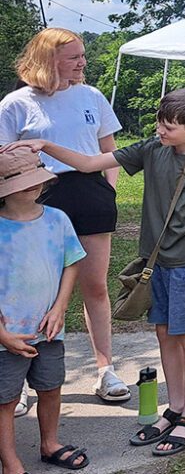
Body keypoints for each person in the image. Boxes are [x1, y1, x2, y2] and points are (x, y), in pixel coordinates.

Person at [4, 89, 185, 456]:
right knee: (164, 334)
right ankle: (173, 409)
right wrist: (45, 144)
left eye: (169, 127)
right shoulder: (152, 149)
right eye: (159, 122)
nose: (160, 130)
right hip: (155, 265)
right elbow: (92, 163)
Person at [0, 27, 131, 409]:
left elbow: (110, 150)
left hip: (90, 194)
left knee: (95, 286)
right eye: (74, 56)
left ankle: (105, 370)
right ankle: (19, 381)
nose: (82, 62)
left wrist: (108, 188)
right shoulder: (16, 103)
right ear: (48, 60)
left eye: (82, 55)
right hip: (34, 197)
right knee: (27, 289)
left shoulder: (91, 96)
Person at [0, 148, 90, 472]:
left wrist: (60, 309)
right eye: (21, 182)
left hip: (48, 329)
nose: (32, 186)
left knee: (51, 387)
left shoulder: (57, 220)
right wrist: (3, 335)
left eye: (35, 179)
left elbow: (72, 263)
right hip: (8, 335)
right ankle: (10, 461)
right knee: (5, 399)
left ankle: (49, 443)